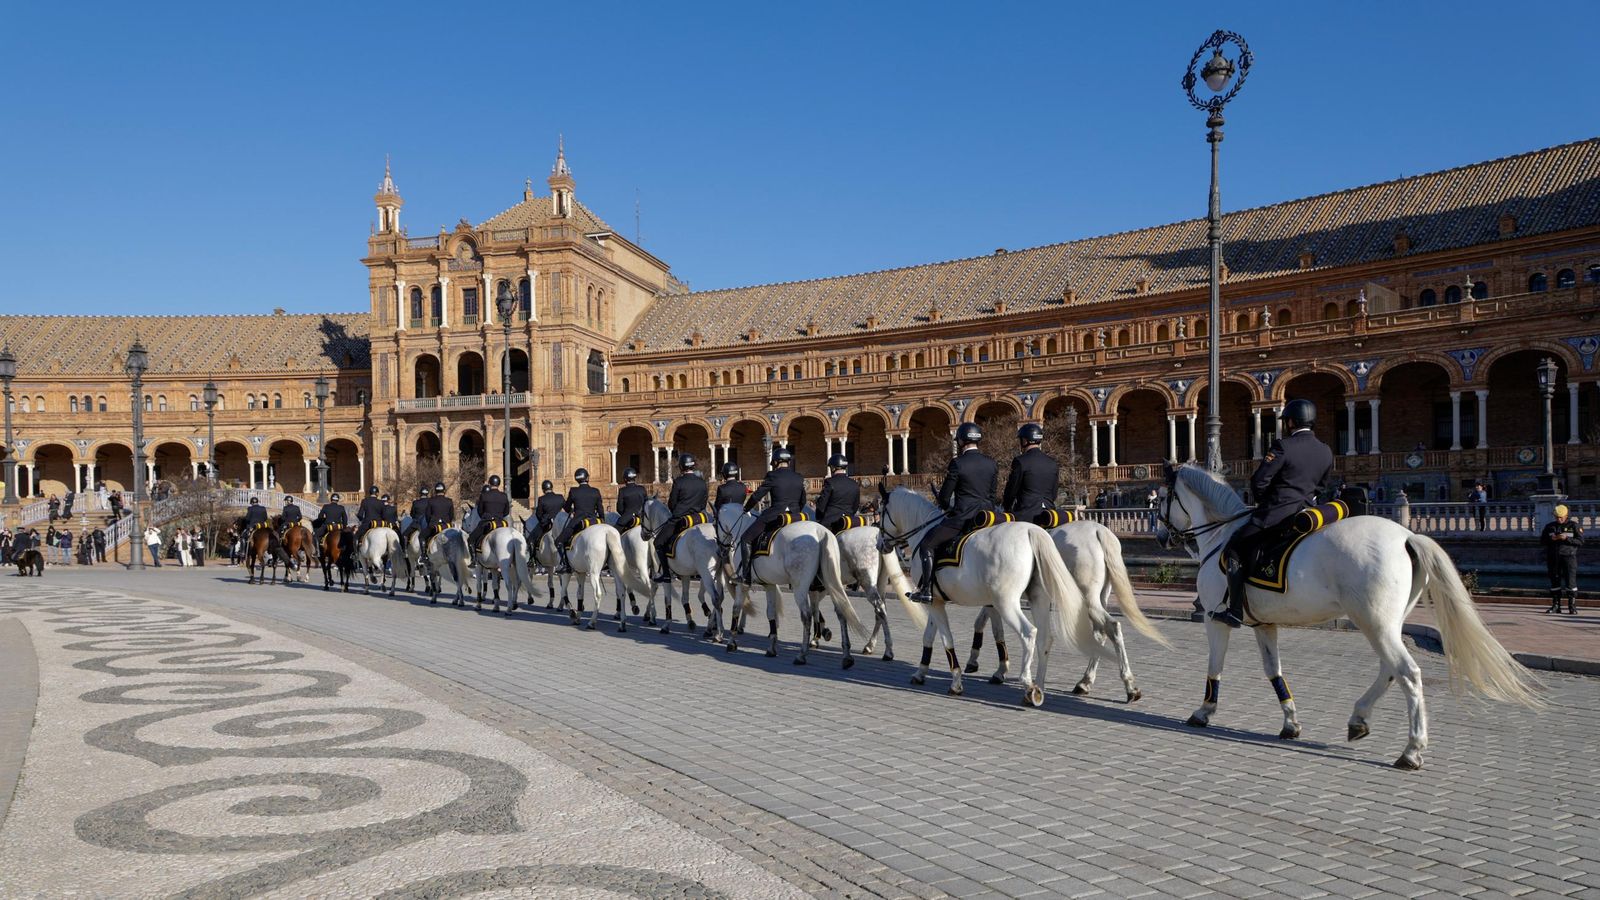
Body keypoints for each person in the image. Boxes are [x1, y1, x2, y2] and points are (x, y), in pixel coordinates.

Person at [1214, 398, 1335, 628]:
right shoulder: (1326, 451)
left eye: (1286, 421)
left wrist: (1267, 502)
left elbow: (1259, 481)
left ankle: (1235, 612)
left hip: (1276, 515)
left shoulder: (1283, 446)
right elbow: (1321, 487)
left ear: (1291, 422)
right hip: (1307, 514)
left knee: (1234, 550)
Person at [908, 422, 997, 603]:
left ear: (961, 441)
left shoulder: (958, 463)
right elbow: (993, 495)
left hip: (963, 517)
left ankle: (926, 590)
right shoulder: (991, 463)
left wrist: (946, 506)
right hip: (987, 517)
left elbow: (945, 497)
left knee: (926, 545)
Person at [736, 448, 806, 586]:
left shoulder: (773, 475)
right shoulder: (798, 477)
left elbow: (757, 496)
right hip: (795, 515)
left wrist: (746, 508)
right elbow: (803, 500)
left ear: (776, 462)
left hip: (775, 515)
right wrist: (795, 512)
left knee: (746, 539)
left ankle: (746, 577)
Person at [653, 454, 707, 583]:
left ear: (681, 467)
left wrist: (677, 511)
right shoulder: (702, 482)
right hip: (699, 518)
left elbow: (672, 503)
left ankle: (666, 574)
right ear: (693, 466)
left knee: (658, 542)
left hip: (680, 518)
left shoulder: (679, 482)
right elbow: (704, 502)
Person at [1002, 423, 1059, 527]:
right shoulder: (1052, 463)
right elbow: (1054, 494)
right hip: (1049, 515)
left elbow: (1011, 490)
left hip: (1026, 515)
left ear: (1024, 441)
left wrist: (1007, 507)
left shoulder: (1020, 461)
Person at [553, 469, 603, 574]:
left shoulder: (574, 491)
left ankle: (565, 565)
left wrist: (572, 509)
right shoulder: (595, 491)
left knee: (558, 541)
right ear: (587, 478)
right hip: (594, 521)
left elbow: (567, 508)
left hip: (578, 521)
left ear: (577, 479)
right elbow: (600, 509)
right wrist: (602, 520)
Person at [1540, 504, 1583, 615]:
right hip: (1554, 558)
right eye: (1557, 517)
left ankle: (1572, 606)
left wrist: (1567, 538)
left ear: (1566, 515)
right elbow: (1542, 541)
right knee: (1555, 582)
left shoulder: (1574, 526)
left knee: (1571, 583)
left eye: (1561, 517)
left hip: (1569, 558)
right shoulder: (1550, 526)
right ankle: (1556, 606)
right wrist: (1552, 538)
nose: (1559, 519)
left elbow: (1580, 541)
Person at [814, 454, 861, 533]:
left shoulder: (829, 482)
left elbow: (821, 505)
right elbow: (856, 506)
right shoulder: (854, 484)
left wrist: (819, 517)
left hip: (831, 523)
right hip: (848, 521)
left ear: (833, 468)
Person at [468, 475, 512, 557]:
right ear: (499, 484)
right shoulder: (504, 496)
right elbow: (506, 512)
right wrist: (499, 516)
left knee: (471, 539)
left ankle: (474, 559)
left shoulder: (484, 495)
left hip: (487, 523)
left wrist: (484, 516)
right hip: (501, 523)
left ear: (489, 483)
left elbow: (480, 511)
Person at [531, 480, 565, 551]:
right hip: (560, 522)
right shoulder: (560, 497)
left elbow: (538, 514)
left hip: (547, 524)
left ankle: (536, 548)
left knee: (536, 536)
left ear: (543, 490)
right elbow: (567, 508)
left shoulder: (541, 499)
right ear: (552, 488)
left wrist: (542, 520)